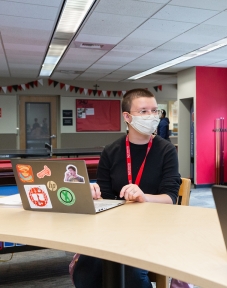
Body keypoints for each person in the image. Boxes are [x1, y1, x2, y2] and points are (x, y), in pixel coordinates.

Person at [72, 88, 181, 288]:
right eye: (144, 111)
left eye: (155, 111)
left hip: (153, 228)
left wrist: (144, 197)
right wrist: (93, 193)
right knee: (85, 272)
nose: (152, 116)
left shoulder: (167, 151)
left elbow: (171, 197)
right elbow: (104, 196)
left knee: (131, 275)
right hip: (114, 229)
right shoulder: (111, 151)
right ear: (127, 117)